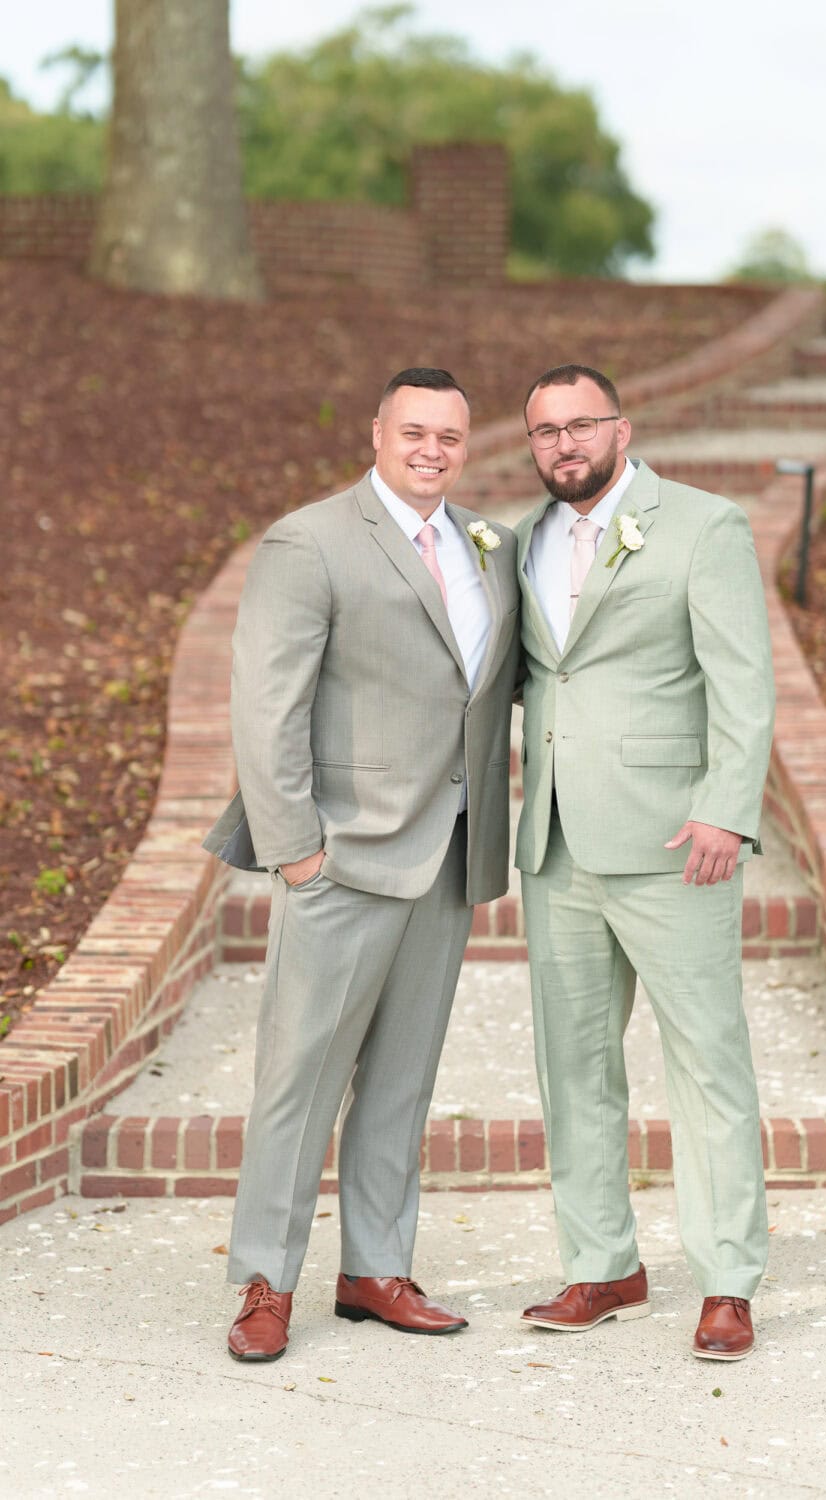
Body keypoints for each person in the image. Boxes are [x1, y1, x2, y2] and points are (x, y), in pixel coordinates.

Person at [204, 368, 520, 1359]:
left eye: (450, 436)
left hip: (449, 857)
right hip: (341, 857)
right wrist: (296, 851)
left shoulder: (489, 545)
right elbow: (267, 705)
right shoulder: (311, 540)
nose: (431, 449)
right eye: (413, 430)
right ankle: (266, 1280)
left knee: (402, 1079)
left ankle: (375, 1269)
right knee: (298, 1079)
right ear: (378, 431)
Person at [513, 364, 775, 1360]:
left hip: (677, 843)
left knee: (705, 1060)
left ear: (622, 429)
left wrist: (724, 811)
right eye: (544, 432)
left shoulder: (703, 527)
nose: (563, 445)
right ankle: (601, 1264)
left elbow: (742, 684)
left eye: (580, 425)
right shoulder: (523, 538)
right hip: (556, 844)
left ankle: (727, 1280)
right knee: (573, 1065)